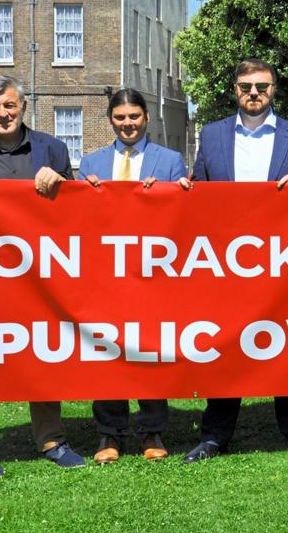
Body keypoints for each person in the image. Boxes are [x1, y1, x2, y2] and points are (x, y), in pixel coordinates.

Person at [184, 58, 288, 463]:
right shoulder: (211, 136)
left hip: (283, 264)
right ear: (234, 89)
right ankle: (215, 435)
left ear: (274, 90)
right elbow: (199, 191)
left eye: (262, 86)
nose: (254, 93)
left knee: (287, 345)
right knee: (225, 348)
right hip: (226, 264)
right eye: (246, 86)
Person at [0, 75, 83, 478]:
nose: (2, 113)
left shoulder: (52, 149)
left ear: (23, 106)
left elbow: (75, 215)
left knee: (43, 355)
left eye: (9, 106)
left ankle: (52, 439)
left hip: (40, 276)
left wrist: (60, 183)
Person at [78, 88, 190, 464]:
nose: (128, 124)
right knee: (108, 355)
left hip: (154, 277)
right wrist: (87, 195)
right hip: (106, 278)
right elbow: (78, 224)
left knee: (148, 355)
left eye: (134, 117)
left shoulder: (170, 160)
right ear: (111, 120)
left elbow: (183, 217)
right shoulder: (90, 163)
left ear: (146, 118)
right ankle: (109, 435)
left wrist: (173, 194)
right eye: (120, 118)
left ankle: (152, 431)